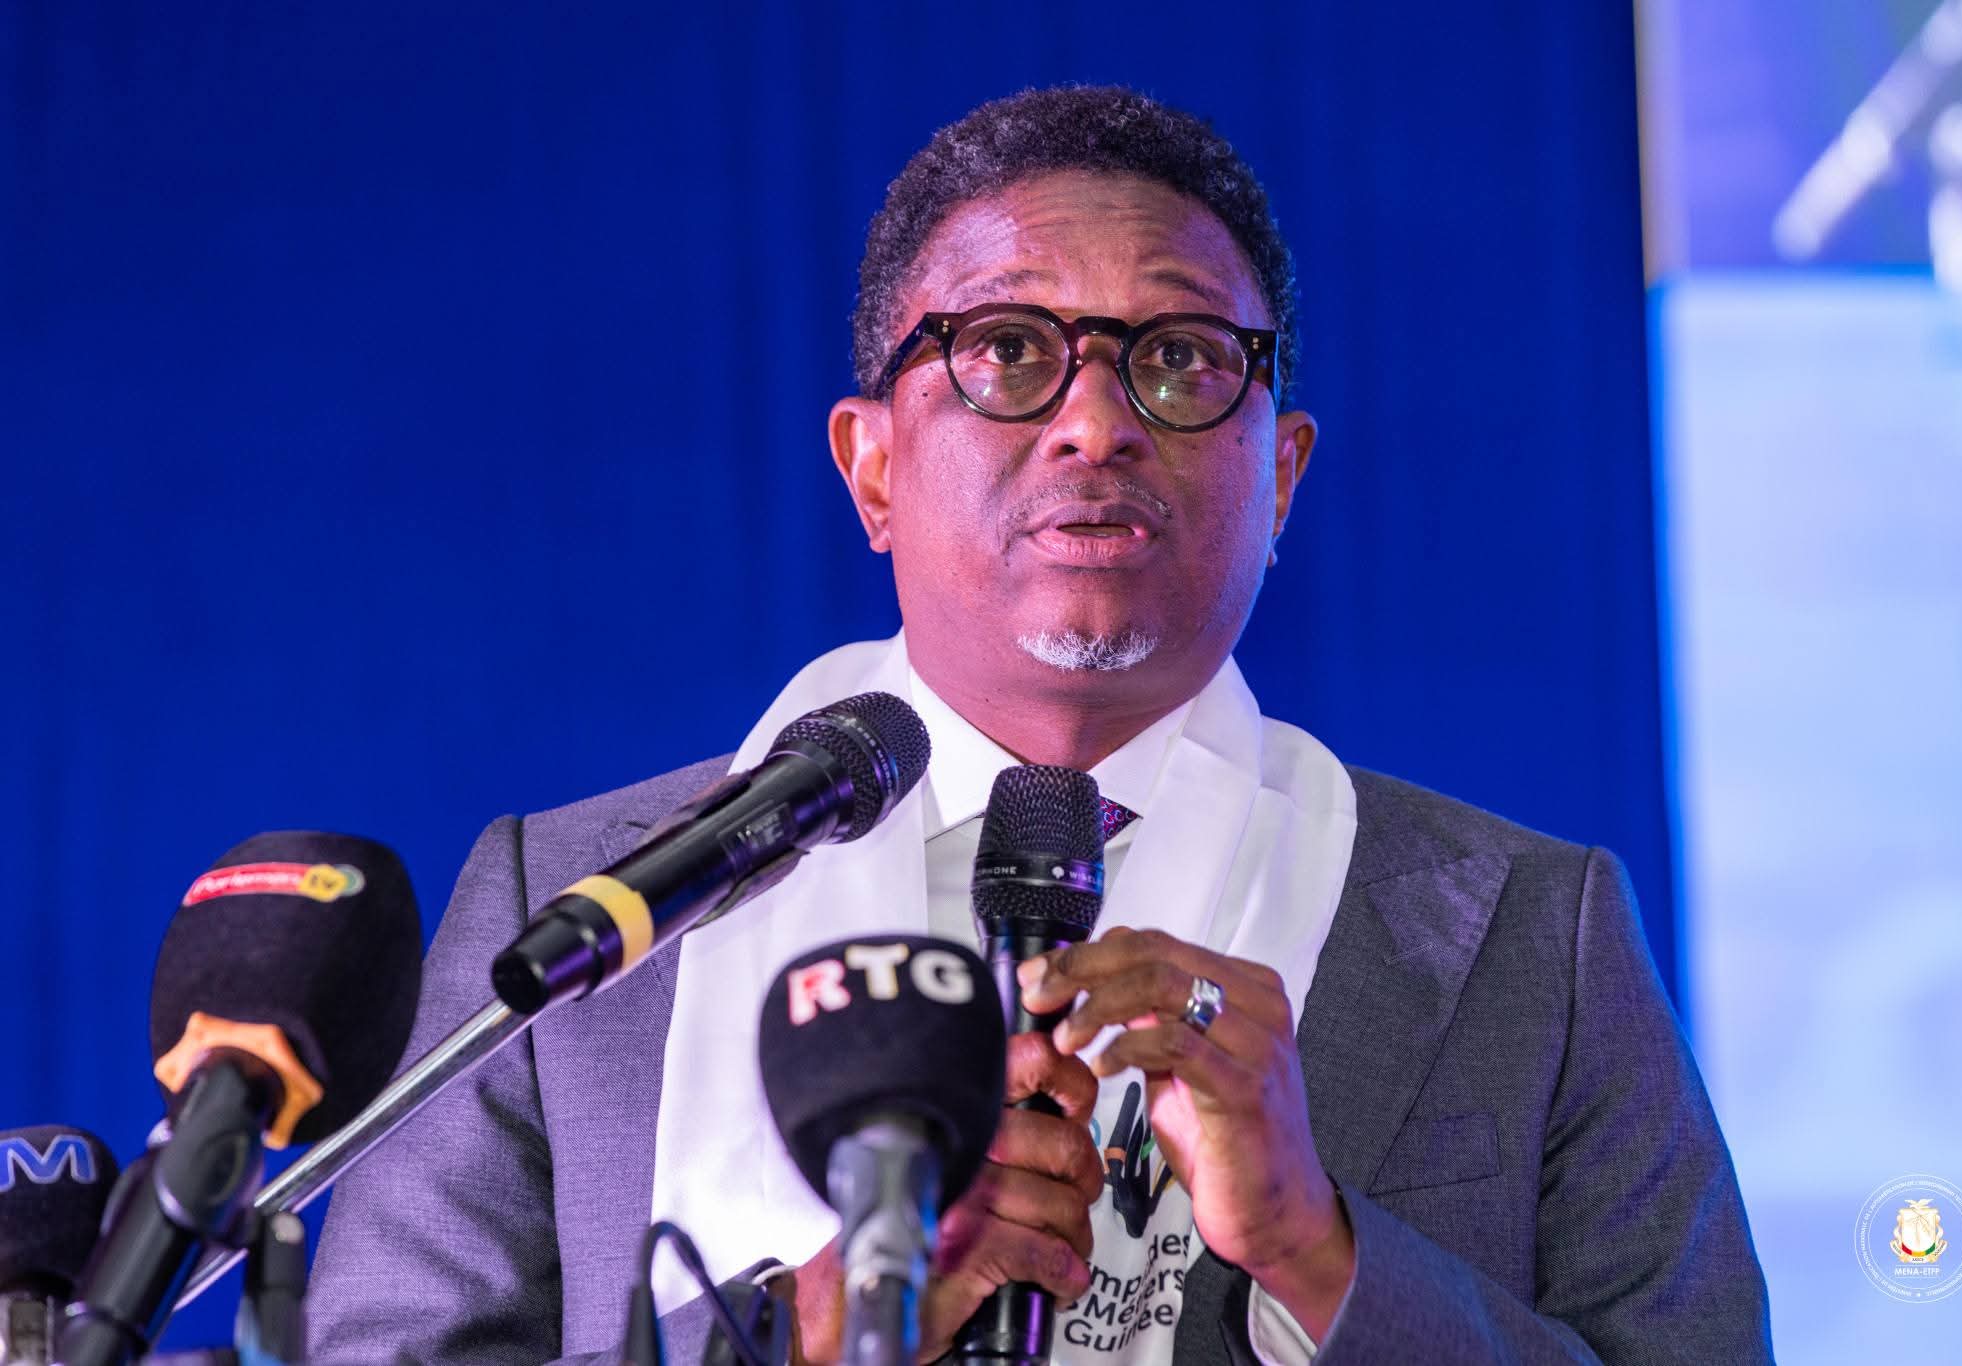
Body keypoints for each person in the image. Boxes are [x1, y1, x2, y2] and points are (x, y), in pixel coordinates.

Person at [307, 86, 1772, 1365]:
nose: (1097, 422)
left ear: (1280, 478)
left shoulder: (1526, 935)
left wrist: (1320, 1251)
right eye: (1008, 350)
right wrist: (803, 1328)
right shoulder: (585, 913)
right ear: (872, 468)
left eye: (1182, 357)